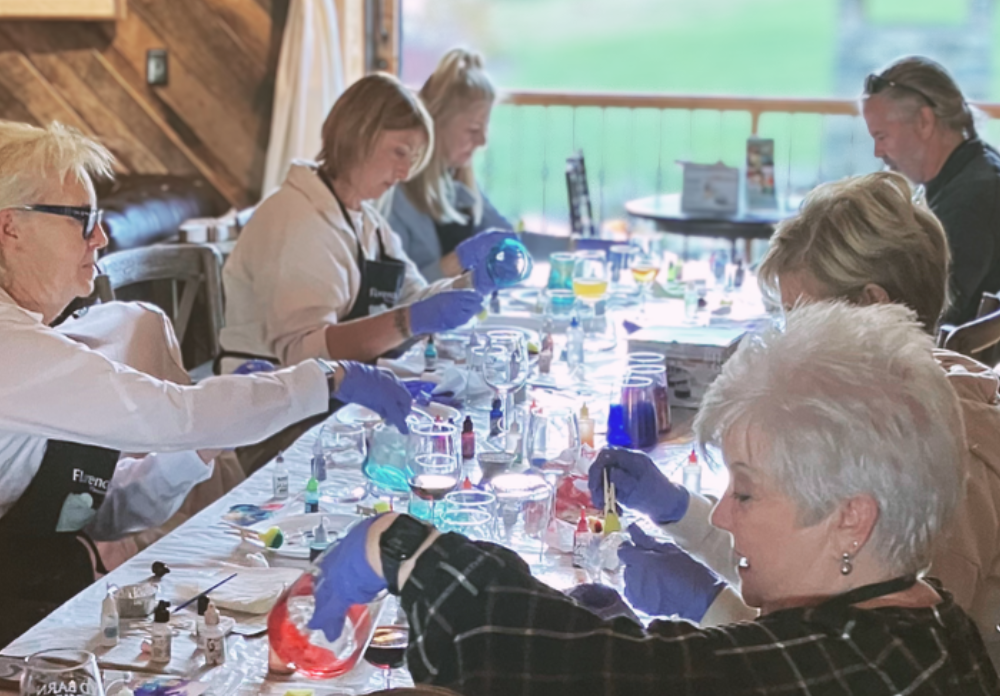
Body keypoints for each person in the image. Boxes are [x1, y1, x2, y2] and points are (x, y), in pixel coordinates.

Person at [307, 302, 999, 695]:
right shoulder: (922, 621)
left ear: (852, 518)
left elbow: (637, 679)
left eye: (747, 492)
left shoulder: (866, 665)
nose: (723, 514)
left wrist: (405, 548)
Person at [0, 119, 412, 642]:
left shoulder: (37, 345)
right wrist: (324, 379)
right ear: (10, 228)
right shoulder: (13, 350)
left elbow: (101, 514)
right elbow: (175, 415)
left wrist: (198, 447)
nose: (100, 237)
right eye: (81, 218)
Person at [595, 171, 1000, 669]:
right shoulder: (885, 410)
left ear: (874, 306)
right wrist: (680, 512)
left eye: (802, 316)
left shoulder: (945, 463)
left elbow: (872, 667)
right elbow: (815, 557)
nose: (789, 336)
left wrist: (706, 605)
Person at [222, 73, 512, 366]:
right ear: (357, 135)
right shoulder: (296, 218)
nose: (404, 174)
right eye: (399, 152)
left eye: (412, 160)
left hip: (337, 390)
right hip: (270, 398)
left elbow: (413, 296)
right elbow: (303, 354)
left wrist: (472, 282)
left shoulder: (366, 220)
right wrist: (406, 321)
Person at [861, 55, 1000, 325]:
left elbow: (935, 313)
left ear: (924, 121)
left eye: (882, 137)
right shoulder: (976, 168)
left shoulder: (973, 198)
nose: (878, 152)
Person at [387, 49, 511, 282]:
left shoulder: (456, 178)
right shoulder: (395, 193)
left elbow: (508, 235)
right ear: (436, 123)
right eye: (473, 130)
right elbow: (393, 296)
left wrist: (571, 245)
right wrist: (451, 265)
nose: (482, 142)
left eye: (484, 130)